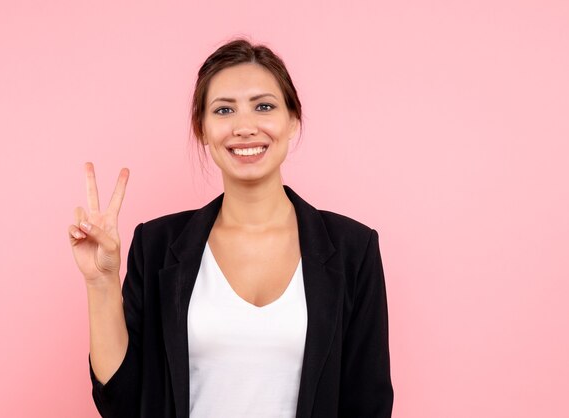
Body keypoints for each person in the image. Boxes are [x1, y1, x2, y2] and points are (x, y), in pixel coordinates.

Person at [69, 38, 393, 418]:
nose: (244, 127)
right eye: (224, 110)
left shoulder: (353, 248)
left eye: (264, 106)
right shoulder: (156, 246)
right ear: (203, 130)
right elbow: (120, 401)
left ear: (293, 120)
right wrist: (101, 283)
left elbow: (368, 402)